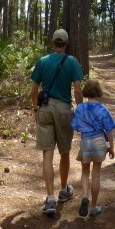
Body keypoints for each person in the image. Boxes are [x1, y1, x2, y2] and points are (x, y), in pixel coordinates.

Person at [30, 28, 84, 216]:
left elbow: (33, 90)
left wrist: (36, 109)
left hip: (45, 109)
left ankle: (50, 197)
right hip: (63, 110)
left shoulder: (43, 61)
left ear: (53, 42)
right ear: (67, 43)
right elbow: (77, 89)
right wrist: (81, 109)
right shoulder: (72, 62)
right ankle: (63, 190)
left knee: (47, 154)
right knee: (65, 152)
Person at [71, 79, 115, 217]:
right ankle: (94, 206)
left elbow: (76, 127)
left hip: (85, 141)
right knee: (96, 174)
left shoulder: (80, 108)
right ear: (98, 92)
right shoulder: (102, 109)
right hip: (98, 140)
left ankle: (85, 195)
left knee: (85, 172)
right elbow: (109, 129)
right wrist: (112, 147)